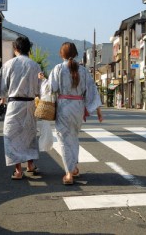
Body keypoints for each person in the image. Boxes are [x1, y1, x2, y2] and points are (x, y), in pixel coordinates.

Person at [38, 42, 103, 185]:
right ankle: (74, 168)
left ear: (62, 54)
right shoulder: (84, 71)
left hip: (64, 108)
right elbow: (92, 90)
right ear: (75, 54)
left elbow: (51, 88)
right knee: (73, 137)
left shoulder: (58, 68)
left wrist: (43, 80)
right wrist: (98, 110)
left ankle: (68, 173)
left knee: (64, 140)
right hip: (78, 108)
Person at [0, 36, 42, 180]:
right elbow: (40, 89)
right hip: (30, 104)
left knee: (12, 136)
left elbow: (0, 87)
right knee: (29, 135)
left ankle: (18, 170)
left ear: (16, 48)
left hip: (14, 104)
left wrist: (0, 96)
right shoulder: (35, 65)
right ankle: (30, 166)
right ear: (28, 49)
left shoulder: (9, 64)